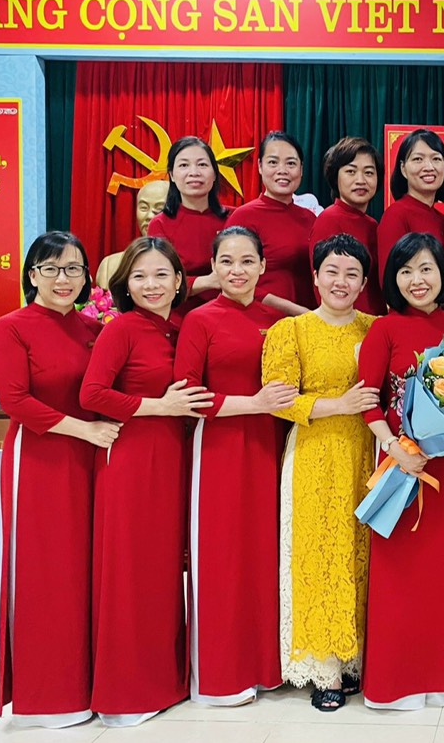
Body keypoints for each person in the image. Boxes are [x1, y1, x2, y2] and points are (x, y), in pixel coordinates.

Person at [0, 231, 118, 728]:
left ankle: (89, 684)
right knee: (47, 573)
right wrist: (85, 430)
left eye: (74, 268)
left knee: (88, 571)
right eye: (52, 268)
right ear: (32, 274)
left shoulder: (94, 329)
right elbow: (16, 401)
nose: (64, 279)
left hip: (93, 460)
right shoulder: (12, 328)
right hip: (40, 461)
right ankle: (47, 697)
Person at [80, 237, 211, 726]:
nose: (151, 285)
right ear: (125, 285)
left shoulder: (180, 328)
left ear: (179, 281)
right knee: (131, 575)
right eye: (139, 276)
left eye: (161, 275)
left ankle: (164, 681)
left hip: (173, 459)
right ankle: (126, 694)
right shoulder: (122, 330)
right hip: (132, 462)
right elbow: (92, 394)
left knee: (163, 574)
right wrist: (161, 406)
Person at [174, 226, 299, 706]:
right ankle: (221, 676)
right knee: (222, 557)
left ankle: (266, 667)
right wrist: (255, 403)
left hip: (271, 446)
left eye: (247, 261)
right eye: (226, 262)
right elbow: (187, 394)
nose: (237, 271)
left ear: (263, 266)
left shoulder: (276, 320)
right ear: (213, 267)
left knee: (266, 555)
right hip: (221, 448)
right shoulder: (200, 320)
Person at [357, 233, 444, 709]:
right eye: (406, 271)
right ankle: (396, 683)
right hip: (400, 465)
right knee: (401, 574)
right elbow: (369, 402)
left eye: (426, 269)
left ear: (442, 273)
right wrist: (395, 447)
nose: (417, 280)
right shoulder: (384, 329)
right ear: (393, 279)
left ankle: (443, 674)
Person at [261, 234, 379, 711]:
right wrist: (339, 405)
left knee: (359, 553)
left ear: (364, 283)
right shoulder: (291, 331)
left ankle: (354, 660)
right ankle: (324, 668)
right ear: (314, 276)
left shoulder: (376, 328)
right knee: (319, 553)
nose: (340, 281)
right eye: (331, 271)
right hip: (314, 452)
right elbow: (278, 400)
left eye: (352, 274)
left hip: (369, 451)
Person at [228, 130, 317, 312]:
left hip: (309, 320)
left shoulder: (310, 218)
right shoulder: (243, 217)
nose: (282, 170)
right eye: (273, 162)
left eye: (291, 163)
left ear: (301, 169)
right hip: (261, 318)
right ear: (260, 166)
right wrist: (296, 311)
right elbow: (233, 280)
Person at [148, 137, 232, 314]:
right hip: (179, 315)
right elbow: (159, 279)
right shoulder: (160, 224)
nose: (194, 172)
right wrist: (208, 281)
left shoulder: (235, 217)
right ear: (172, 175)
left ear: (214, 173)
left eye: (202, 165)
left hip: (231, 311)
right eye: (184, 165)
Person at [311, 136, 386, 315]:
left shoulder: (372, 224)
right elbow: (325, 288)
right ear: (335, 176)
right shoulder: (329, 219)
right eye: (351, 171)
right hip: (345, 322)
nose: (361, 180)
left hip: (375, 320)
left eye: (369, 173)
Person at [376, 128, 444, 279]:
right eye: (418, 159)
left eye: (436, 159)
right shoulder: (395, 215)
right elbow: (388, 279)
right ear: (403, 168)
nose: (429, 167)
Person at [94, 179, 170, 289]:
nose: (149, 216)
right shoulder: (111, 266)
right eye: (144, 208)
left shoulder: (189, 266)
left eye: (159, 209)